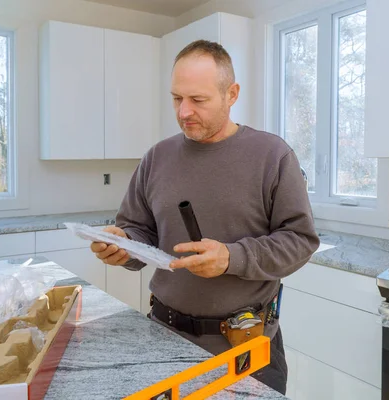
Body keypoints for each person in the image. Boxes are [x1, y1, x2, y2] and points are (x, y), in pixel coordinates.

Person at [90, 39, 319, 394]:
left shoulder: (272, 156)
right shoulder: (156, 157)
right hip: (162, 339)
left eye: (198, 100)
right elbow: (138, 229)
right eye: (176, 98)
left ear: (232, 94)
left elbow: (300, 241)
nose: (184, 112)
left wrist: (232, 257)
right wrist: (124, 246)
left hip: (247, 350)